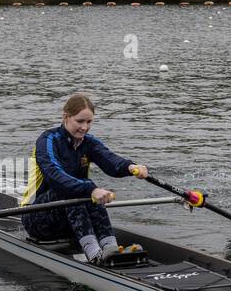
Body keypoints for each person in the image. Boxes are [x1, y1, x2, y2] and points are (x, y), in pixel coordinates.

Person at [19, 93, 148, 262]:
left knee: (88, 188)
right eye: (80, 121)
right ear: (66, 117)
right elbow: (54, 175)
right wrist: (90, 190)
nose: (85, 127)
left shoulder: (88, 142)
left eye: (89, 122)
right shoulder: (47, 140)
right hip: (36, 217)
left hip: (67, 218)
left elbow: (110, 160)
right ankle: (94, 254)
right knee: (83, 188)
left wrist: (131, 167)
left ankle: (111, 248)